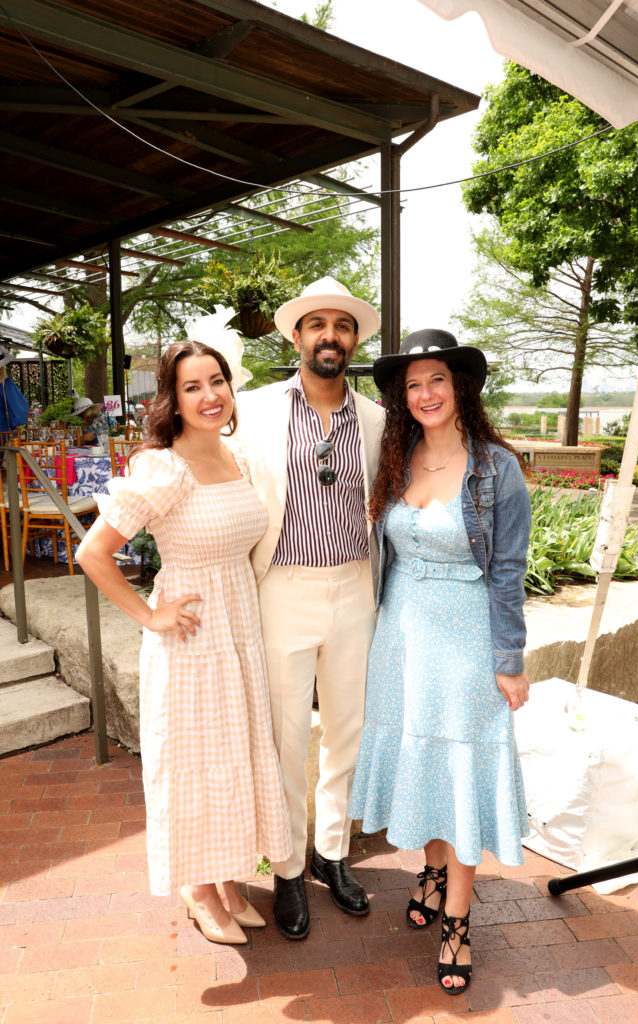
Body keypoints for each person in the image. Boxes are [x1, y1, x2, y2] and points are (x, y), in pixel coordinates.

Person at [75, 339, 292, 945]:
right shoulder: (164, 468)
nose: (210, 395)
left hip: (238, 630)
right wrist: (148, 614)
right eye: (192, 386)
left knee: (234, 755)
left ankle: (226, 877)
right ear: (172, 398)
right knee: (196, 764)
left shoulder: (235, 455)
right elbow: (92, 553)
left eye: (217, 380)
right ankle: (197, 889)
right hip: (192, 641)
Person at [348, 329, 531, 993]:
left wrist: (508, 658)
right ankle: (431, 870)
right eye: (413, 385)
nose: (425, 394)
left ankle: (457, 918)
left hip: (465, 638)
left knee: (460, 769)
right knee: (423, 761)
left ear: (460, 389)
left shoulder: (496, 468)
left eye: (437, 381)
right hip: (400, 636)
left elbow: (508, 569)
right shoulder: (395, 459)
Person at [236, 277, 384, 940]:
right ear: (296, 336)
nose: (330, 335)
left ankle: (332, 852)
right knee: (287, 736)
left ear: (353, 340)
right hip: (281, 588)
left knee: (348, 731)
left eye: (342, 325)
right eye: (317, 324)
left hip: (354, 588)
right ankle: (289, 867)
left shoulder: (377, 419)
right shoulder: (253, 410)